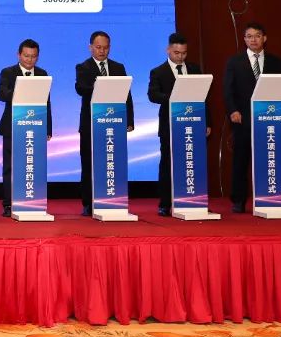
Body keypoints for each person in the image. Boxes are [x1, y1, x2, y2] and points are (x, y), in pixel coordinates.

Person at [223, 22, 281, 213]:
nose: (253, 40)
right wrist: (233, 110)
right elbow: (228, 90)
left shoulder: (276, 62)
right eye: (249, 36)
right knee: (241, 160)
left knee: (269, 159)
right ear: (244, 40)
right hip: (243, 119)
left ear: (264, 38)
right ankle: (238, 200)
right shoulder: (235, 62)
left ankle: (270, 197)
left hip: (269, 119)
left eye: (257, 36)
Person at [147, 33, 211, 217]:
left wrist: (207, 122)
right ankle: (165, 203)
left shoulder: (194, 69)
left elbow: (204, 97)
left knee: (193, 162)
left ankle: (195, 200)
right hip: (169, 125)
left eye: (184, 53)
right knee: (168, 164)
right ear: (168, 50)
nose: (180, 57)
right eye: (176, 53)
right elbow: (153, 95)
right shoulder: (158, 72)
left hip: (194, 124)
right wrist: (175, 98)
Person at [75, 30, 135, 217]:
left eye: (106, 48)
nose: (102, 51)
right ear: (90, 47)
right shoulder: (83, 67)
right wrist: (102, 85)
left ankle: (114, 199)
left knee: (113, 162)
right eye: (98, 47)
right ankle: (88, 203)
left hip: (114, 124)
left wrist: (129, 120)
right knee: (89, 164)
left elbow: (127, 95)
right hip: (90, 125)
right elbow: (81, 88)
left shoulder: (118, 67)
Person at [0, 39, 53, 217]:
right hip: (12, 127)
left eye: (33, 56)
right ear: (19, 55)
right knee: (11, 167)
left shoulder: (42, 74)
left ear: (38, 56)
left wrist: (48, 128)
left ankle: (33, 201)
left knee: (33, 165)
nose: (29, 60)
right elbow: (2, 94)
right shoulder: (8, 72)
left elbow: (46, 102)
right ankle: (9, 204)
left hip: (36, 127)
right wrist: (23, 90)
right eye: (26, 56)